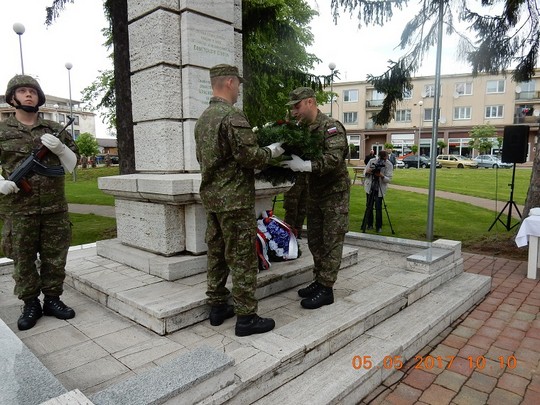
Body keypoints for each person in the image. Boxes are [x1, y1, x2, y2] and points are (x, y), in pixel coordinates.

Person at [194, 64, 285, 337]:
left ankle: (217, 306)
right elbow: (249, 157)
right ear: (230, 83)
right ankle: (246, 317)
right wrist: (271, 152)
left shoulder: (203, 119)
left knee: (217, 253)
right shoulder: (232, 116)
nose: (239, 90)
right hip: (234, 200)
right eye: (239, 85)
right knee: (243, 257)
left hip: (212, 199)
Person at [0, 74, 79, 331]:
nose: (28, 95)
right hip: (19, 209)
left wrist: (60, 149)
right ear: (13, 98)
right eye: (22, 91)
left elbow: (72, 164)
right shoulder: (2, 131)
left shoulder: (54, 130)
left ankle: (53, 300)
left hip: (54, 207)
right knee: (23, 260)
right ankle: (31, 303)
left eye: (32, 91)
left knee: (55, 257)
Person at [281, 87, 350, 310]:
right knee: (315, 241)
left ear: (310, 102)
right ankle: (319, 280)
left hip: (334, 195)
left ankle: (326, 289)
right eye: (291, 108)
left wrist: (307, 165)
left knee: (331, 241)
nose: (293, 112)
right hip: (315, 194)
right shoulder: (303, 129)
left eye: (297, 106)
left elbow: (334, 159)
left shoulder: (331, 127)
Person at [363, 150, 393, 233]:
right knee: (369, 206)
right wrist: (367, 171)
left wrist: (382, 176)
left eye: (384, 159)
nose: (383, 160)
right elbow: (364, 172)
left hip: (380, 188)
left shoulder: (389, 164)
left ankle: (378, 226)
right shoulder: (372, 161)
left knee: (378, 207)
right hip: (370, 187)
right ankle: (369, 224)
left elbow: (389, 179)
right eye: (381, 158)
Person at [283, 173, 308, 238]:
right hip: (294, 179)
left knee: (302, 210)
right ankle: (288, 236)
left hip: (306, 179)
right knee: (291, 210)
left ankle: (297, 236)